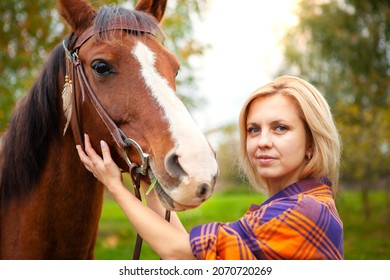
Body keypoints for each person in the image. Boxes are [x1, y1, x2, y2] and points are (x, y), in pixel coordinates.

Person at [76, 75, 343, 260]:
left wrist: (114, 185)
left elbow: (179, 253)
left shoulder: (305, 212)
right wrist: (150, 179)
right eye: (253, 130)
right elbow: (195, 257)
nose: (262, 142)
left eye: (280, 128)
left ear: (311, 142)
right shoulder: (290, 205)